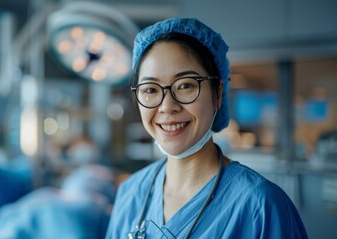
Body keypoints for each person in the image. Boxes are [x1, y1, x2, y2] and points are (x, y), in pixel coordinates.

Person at [106, 17, 307, 239]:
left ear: (218, 94)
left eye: (185, 86)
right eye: (151, 89)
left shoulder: (261, 205)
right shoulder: (131, 193)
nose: (167, 106)